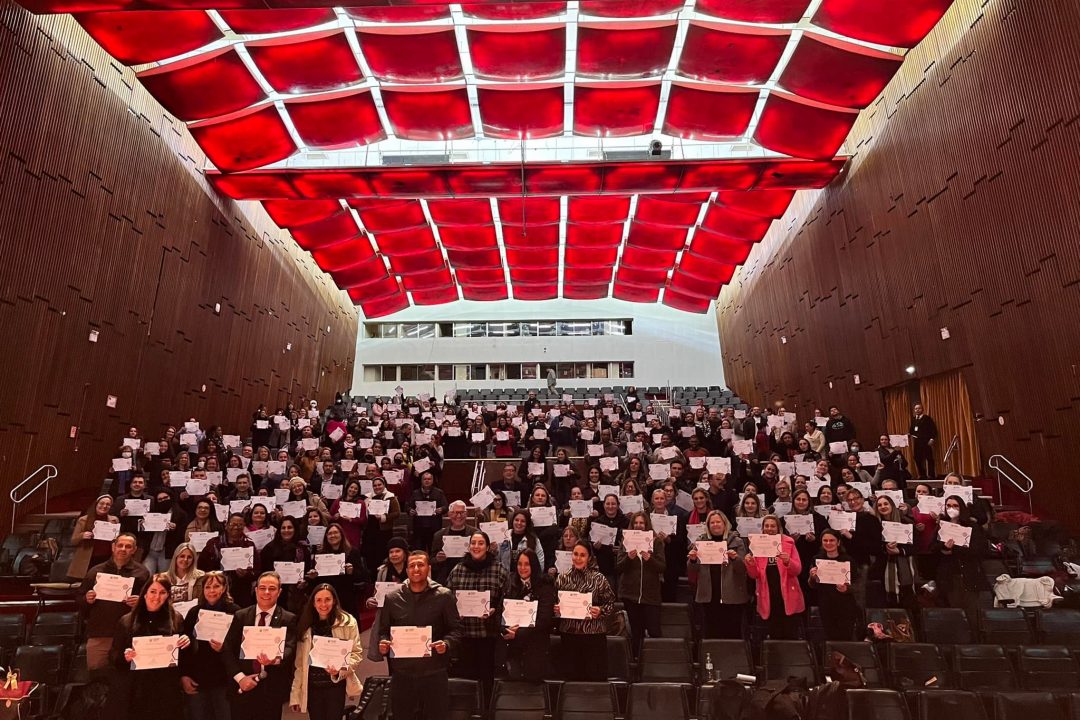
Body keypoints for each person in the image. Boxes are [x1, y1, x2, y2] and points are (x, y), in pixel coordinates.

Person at [377, 551, 463, 720]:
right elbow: (383, 631)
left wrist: (446, 644)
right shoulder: (392, 598)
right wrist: (383, 642)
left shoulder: (444, 596)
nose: (416, 569)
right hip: (402, 673)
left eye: (421, 565)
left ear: (428, 568)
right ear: (407, 570)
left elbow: (457, 630)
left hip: (434, 672)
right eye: (412, 565)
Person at [109, 573, 191, 720]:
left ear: (168, 596)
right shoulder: (126, 621)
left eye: (162, 593)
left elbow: (184, 658)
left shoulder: (176, 619)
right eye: (153, 591)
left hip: (165, 690)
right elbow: (113, 658)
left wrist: (186, 641)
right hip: (135, 689)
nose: (157, 597)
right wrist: (125, 656)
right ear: (145, 593)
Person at [223, 572, 298, 720]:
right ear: (256, 590)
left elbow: (290, 648)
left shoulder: (288, 618)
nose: (267, 592)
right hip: (243, 687)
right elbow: (227, 651)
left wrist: (275, 660)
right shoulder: (241, 616)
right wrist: (240, 678)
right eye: (262, 588)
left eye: (272, 588)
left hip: (271, 690)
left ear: (279, 592)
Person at [446, 531, 507, 698]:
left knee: (487, 678)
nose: (476, 546)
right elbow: (447, 599)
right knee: (466, 679)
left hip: (488, 634)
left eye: (481, 543)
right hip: (463, 634)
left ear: (487, 547)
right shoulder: (458, 570)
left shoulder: (499, 569)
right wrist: (455, 612)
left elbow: (505, 600)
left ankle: (486, 711)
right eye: (473, 543)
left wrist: (495, 611)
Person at [289, 584, 363, 720]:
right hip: (312, 687)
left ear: (334, 600)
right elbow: (300, 664)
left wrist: (340, 671)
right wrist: (295, 695)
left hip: (335, 685)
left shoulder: (347, 622)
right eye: (319, 600)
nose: (323, 604)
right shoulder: (305, 625)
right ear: (313, 602)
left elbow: (356, 654)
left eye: (327, 599)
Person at [78, 532, 150, 671]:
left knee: (126, 679)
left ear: (134, 550)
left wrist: (141, 603)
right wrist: (87, 599)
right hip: (100, 634)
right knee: (97, 678)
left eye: (128, 546)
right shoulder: (95, 571)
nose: (123, 549)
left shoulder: (142, 573)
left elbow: (151, 604)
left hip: (130, 635)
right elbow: (79, 599)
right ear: (113, 547)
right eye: (120, 545)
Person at [180, 571, 239, 720]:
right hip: (198, 678)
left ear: (224, 588)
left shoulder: (236, 612)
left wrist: (224, 648)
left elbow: (240, 646)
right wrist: (184, 675)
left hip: (224, 679)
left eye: (216, 586)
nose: (211, 591)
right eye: (208, 587)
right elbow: (184, 648)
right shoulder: (194, 612)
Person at [554, 541, 616, 681]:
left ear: (589, 557)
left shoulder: (599, 579)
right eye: (575, 554)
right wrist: (556, 609)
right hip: (569, 636)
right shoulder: (562, 578)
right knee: (572, 679)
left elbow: (611, 603)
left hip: (594, 636)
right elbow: (553, 603)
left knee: (594, 679)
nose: (578, 558)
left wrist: (600, 610)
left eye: (582, 555)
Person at [688, 511, 748, 639]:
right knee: (710, 631)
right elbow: (692, 569)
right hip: (709, 594)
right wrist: (692, 559)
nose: (715, 525)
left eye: (718, 522)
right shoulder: (701, 540)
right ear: (708, 525)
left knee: (732, 632)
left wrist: (735, 558)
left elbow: (743, 569)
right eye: (712, 522)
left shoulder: (737, 541)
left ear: (725, 523)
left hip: (731, 595)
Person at [744, 515, 804, 640]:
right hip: (768, 596)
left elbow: (797, 570)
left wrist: (788, 562)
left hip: (787, 595)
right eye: (767, 526)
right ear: (762, 528)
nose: (769, 529)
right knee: (774, 633)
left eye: (773, 526)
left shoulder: (789, 543)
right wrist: (750, 564)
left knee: (790, 633)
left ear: (778, 528)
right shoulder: (757, 544)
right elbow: (754, 575)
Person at [616, 511, 666, 653]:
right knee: (636, 632)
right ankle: (637, 664)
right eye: (636, 523)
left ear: (646, 525)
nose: (639, 526)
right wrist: (628, 558)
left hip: (650, 595)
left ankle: (655, 662)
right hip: (630, 594)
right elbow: (619, 567)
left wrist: (650, 560)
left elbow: (662, 567)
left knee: (654, 630)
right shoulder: (626, 541)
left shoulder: (656, 542)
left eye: (641, 523)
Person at [501, 548, 554, 682]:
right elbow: (501, 611)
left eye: (527, 564)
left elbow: (544, 619)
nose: (522, 568)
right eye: (519, 564)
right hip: (513, 649)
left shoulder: (545, 586)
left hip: (535, 648)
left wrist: (519, 633)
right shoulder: (510, 584)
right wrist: (505, 629)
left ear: (534, 565)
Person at [934, 496, 989, 618]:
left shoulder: (972, 526)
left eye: (955, 506)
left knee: (972, 613)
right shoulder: (941, 525)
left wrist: (955, 550)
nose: (951, 509)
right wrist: (944, 549)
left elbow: (980, 549)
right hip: (949, 576)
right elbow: (933, 548)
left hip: (969, 575)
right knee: (954, 614)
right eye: (948, 506)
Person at [808, 529, 858, 641]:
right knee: (829, 637)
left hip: (845, 605)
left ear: (838, 542)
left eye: (832, 540)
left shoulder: (848, 560)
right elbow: (812, 585)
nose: (828, 543)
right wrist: (812, 577)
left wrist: (846, 589)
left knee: (845, 638)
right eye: (825, 540)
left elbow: (857, 585)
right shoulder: (816, 559)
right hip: (825, 604)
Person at [307, 523, 366, 617]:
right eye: (329, 534)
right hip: (326, 597)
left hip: (346, 597)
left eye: (335, 532)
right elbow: (315, 582)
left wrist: (352, 572)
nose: (333, 535)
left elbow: (362, 577)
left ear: (341, 535)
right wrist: (313, 577)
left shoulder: (352, 552)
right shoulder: (319, 554)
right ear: (326, 537)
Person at [870, 495, 917, 610]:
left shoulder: (906, 522)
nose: (883, 507)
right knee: (888, 602)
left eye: (886, 504)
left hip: (904, 567)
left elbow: (915, 546)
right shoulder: (874, 525)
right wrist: (885, 549)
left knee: (908, 602)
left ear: (892, 505)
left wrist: (899, 551)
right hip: (883, 567)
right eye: (879, 505)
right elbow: (872, 546)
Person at [70, 494, 120, 580]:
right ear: (96, 504)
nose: (104, 506)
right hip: (87, 559)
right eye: (102, 503)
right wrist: (82, 535)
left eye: (108, 504)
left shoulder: (114, 520)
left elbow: (117, 540)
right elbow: (73, 541)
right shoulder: (83, 520)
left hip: (107, 557)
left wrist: (116, 537)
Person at [431, 501, 476, 583]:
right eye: (455, 513)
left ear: (466, 514)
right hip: (445, 580)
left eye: (462, 512)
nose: (458, 516)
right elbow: (432, 563)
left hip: (470, 578)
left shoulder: (475, 534)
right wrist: (437, 559)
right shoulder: (439, 536)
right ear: (449, 514)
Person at [410, 471, 448, 555]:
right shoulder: (415, 493)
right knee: (420, 552)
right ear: (421, 481)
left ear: (432, 480)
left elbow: (446, 506)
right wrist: (410, 510)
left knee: (434, 551)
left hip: (434, 527)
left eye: (429, 479)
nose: (427, 481)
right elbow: (408, 506)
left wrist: (441, 509)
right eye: (425, 479)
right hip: (419, 527)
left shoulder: (439, 492)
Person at [909, 403, 939, 479]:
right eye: (916, 409)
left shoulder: (927, 418)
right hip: (917, 442)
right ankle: (922, 475)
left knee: (929, 458)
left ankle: (931, 475)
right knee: (916, 458)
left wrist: (932, 439)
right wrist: (908, 435)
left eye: (919, 408)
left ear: (922, 409)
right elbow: (911, 430)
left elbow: (933, 429)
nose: (917, 410)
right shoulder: (913, 419)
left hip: (926, 442)